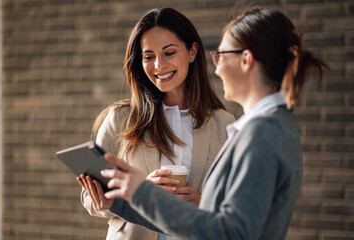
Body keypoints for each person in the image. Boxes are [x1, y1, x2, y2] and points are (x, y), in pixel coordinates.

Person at [99, 7, 330, 240]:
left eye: (220, 55)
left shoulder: (263, 133)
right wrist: (123, 199)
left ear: (246, 60)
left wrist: (143, 193)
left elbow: (231, 232)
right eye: (149, 56)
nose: (216, 68)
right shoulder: (268, 127)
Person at [77, 7, 235, 240]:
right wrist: (136, 193)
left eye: (169, 53)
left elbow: (236, 202)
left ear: (192, 52)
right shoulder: (120, 118)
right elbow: (89, 197)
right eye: (149, 57)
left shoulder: (224, 124)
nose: (159, 65)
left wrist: (201, 203)